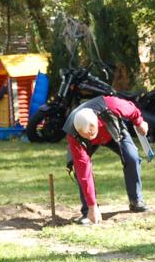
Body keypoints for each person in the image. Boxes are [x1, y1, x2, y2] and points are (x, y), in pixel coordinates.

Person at [64, 95, 150, 224]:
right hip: (86, 144)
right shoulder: (73, 136)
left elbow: (132, 109)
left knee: (132, 157)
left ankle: (136, 200)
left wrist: (139, 122)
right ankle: (89, 211)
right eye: (86, 135)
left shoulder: (111, 105)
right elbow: (84, 172)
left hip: (112, 131)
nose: (90, 136)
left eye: (91, 133)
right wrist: (92, 205)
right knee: (79, 170)